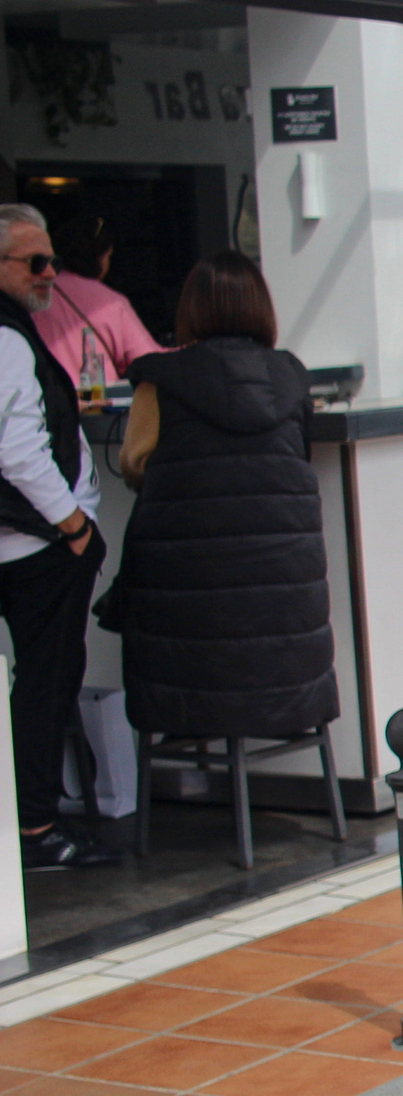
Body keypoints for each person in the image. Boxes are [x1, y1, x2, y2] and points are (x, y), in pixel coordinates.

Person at [116, 253, 336, 749]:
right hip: (285, 623)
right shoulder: (292, 378)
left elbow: (135, 463)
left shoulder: (161, 382)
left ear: (190, 311)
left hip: (192, 630)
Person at [0, 205, 114, 868]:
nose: (50, 274)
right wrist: (73, 527)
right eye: (34, 263)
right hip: (37, 543)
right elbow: (17, 450)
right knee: (44, 685)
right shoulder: (10, 339)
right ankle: (37, 830)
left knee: (38, 685)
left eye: (51, 260)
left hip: (28, 537)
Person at [37, 214, 162, 394]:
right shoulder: (111, 302)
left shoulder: (36, 294)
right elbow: (148, 361)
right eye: (109, 256)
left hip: (48, 401)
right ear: (101, 256)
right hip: (99, 404)